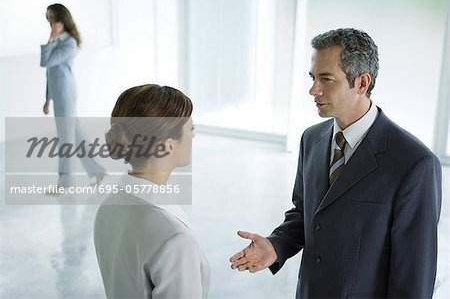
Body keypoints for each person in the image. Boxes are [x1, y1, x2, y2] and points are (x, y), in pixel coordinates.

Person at [230, 28, 442, 298]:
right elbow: (305, 214)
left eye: (326, 79)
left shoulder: (415, 164)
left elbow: (414, 277)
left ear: (362, 83)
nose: (313, 89)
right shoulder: (312, 139)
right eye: (313, 77)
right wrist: (276, 246)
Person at [94, 84, 210, 299]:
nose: (193, 137)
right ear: (166, 146)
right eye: (190, 129)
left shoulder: (108, 205)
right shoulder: (176, 240)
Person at [40, 3, 105, 188]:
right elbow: (50, 73)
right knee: (75, 135)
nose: (50, 22)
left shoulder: (69, 42)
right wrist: (47, 99)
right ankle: (97, 171)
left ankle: (65, 182)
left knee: (65, 139)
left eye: (52, 18)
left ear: (61, 20)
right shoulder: (59, 40)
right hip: (59, 94)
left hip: (66, 94)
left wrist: (50, 40)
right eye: (48, 19)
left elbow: (46, 61)